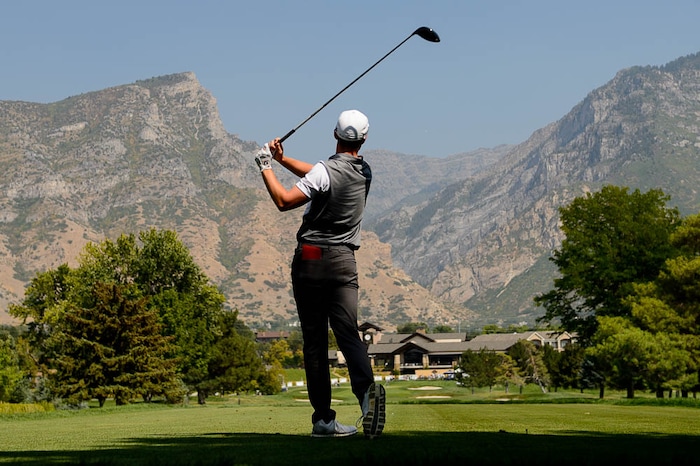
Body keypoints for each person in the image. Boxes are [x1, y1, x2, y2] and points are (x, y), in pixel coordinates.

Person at [255, 110, 385, 439]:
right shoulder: (365, 172)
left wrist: (265, 165)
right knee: (348, 334)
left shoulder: (325, 172)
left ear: (334, 134)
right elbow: (319, 175)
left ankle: (324, 421)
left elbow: (285, 201)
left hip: (312, 257)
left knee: (315, 341)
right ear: (364, 139)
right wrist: (283, 160)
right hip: (344, 260)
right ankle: (366, 397)